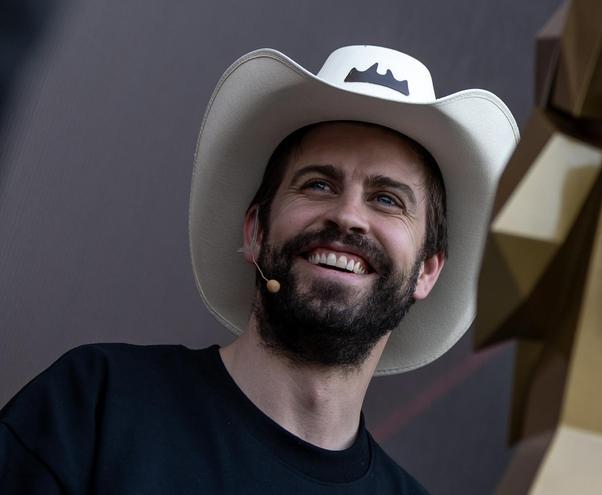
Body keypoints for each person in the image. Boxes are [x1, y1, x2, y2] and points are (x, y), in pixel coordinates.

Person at [0, 45, 518, 493]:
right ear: (255, 232)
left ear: (427, 271)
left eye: (387, 199)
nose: (348, 215)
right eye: (318, 184)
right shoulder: (94, 404)